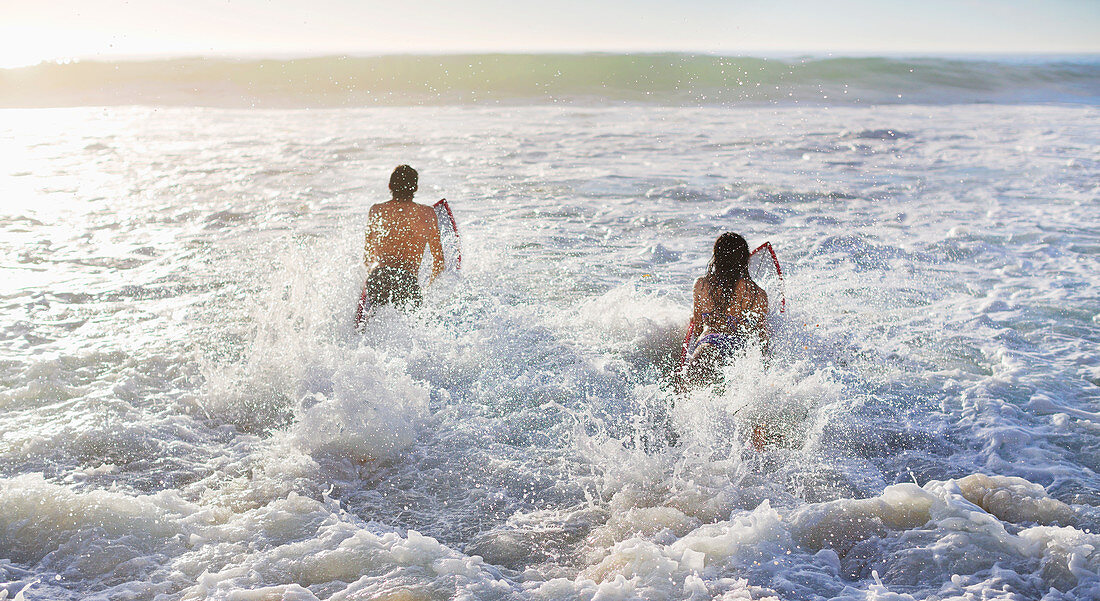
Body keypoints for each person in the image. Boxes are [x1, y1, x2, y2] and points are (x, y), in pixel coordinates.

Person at [358, 165, 445, 320]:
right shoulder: (428, 214)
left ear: (390, 186)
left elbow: (368, 257)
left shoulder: (376, 210)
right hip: (407, 280)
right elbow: (439, 262)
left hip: (379, 277)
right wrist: (424, 289)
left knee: (369, 328)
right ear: (416, 187)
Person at [683, 232, 769, 385]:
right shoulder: (758, 294)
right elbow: (761, 338)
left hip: (707, 345)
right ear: (745, 260)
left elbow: (696, 330)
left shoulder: (701, 285)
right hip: (736, 351)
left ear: (716, 257)